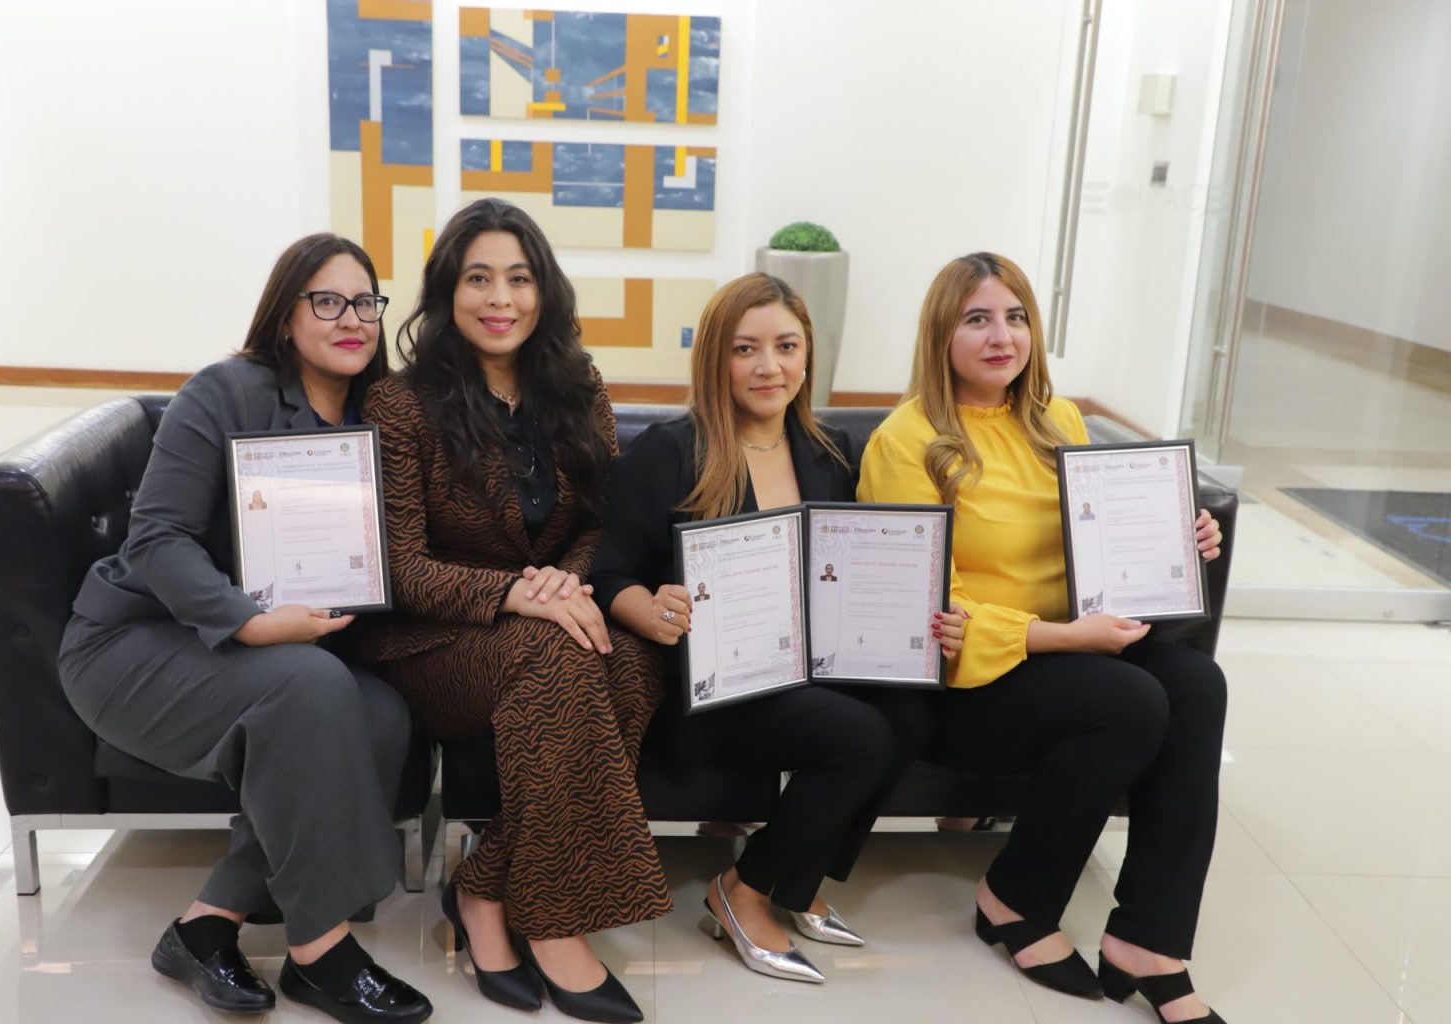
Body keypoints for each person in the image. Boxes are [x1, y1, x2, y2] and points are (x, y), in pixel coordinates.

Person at [56, 233, 432, 1024]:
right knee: (313, 686)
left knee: (381, 713)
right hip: (135, 641)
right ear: (285, 314)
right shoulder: (224, 391)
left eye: (365, 302)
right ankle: (321, 954)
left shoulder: (381, 416)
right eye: (326, 301)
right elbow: (156, 539)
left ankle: (204, 927)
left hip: (274, 653)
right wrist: (251, 623)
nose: (352, 319)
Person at [859, 252, 1227, 1024]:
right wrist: (1066, 637)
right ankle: (1016, 899)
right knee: (1129, 700)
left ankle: (1149, 940)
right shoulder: (905, 441)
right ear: (941, 333)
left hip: (1073, 643)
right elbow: (926, 605)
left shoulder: (1057, 420)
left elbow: (1098, 543)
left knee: (1199, 685)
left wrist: (1177, 537)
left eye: (1016, 317)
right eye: (978, 319)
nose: (1003, 336)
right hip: (967, 675)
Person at [589, 272, 954, 985]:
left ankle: (797, 876)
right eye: (745, 349)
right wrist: (649, 609)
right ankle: (743, 891)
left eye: (786, 347)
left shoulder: (830, 452)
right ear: (716, 359)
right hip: (711, 689)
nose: (769, 366)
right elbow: (608, 572)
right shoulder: (671, 450)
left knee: (911, 708)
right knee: (859, 735)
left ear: (808, 356)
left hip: (806, 669)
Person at [352, 198, 665, 1023]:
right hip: (430, 643)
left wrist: (562, 582)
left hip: (545, 615)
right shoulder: (399, 404)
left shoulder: (578, 388)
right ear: (447, 293)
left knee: (633, 659)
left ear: (544, 290)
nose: (501, 299)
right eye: (479, 279)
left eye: (519, 279)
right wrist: (516, 594)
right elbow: (400, 566)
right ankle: (557, 927)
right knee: (559, 654)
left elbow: (599, 523)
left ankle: (485, 890)